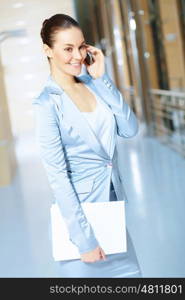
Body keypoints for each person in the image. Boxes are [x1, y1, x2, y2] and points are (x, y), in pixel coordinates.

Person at [33, 13, 142, 277]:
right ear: (47, 50)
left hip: (112, 217)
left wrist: (101, 78)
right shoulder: (47, 104)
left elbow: (130, 128)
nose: (78, 56)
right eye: (67, 49)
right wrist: (85, 241)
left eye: (81, 46)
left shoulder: (93, 85)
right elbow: (58, 177)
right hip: (82, 228)